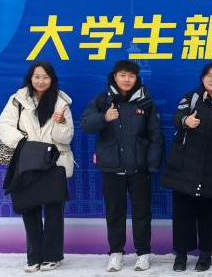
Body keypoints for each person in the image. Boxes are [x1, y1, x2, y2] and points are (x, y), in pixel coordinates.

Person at [80, 60, 163, 272]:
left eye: (131, 76)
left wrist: (152, 165)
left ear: (137, 78)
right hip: (112, 168)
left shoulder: (145, 103)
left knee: (142, 213)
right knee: (114, 213)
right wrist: (104, 117)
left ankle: (143, 253)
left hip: (138, 169)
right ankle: (116, 253)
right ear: (115, 76)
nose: (127, 79)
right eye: (122, 75)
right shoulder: (103, 100)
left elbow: (156, 136)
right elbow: (86, 124)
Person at [161, 63, 212, 272]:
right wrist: (186, 120)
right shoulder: (191, 98)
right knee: (182, 215)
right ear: (202, 79)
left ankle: (205, 255)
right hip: (185, 167)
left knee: (209, 215)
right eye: (209, 76)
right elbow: (177, 117)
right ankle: (181, 255)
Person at [0, 61, 74, 272]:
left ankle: (52, 256)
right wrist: (24, 144)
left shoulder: (61, 102)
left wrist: (60, 123)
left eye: (45, 77)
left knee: (54, 212)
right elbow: (4, 125)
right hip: (27, 161)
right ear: (30, 78)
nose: (41, 81)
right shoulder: (18, 100)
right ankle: (34, 257)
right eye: (37, 76)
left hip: (54, 162)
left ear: (52, 80)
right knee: (29, 209)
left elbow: (66, 138)